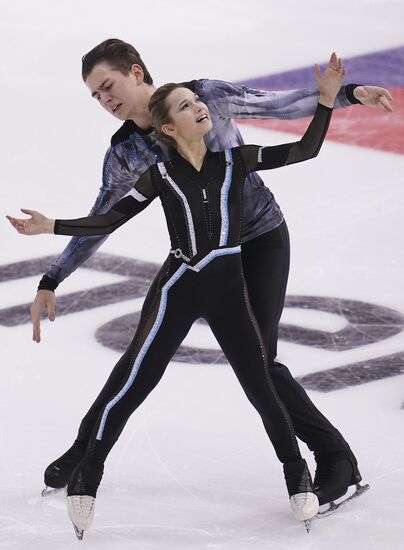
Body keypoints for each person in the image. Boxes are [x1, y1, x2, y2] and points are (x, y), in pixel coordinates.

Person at [29, 39, 393, 507]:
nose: (106, 100)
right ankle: (86, 449)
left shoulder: (205, 99)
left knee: (260, 363)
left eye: (108, 86)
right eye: (96, 96)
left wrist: (349, 93)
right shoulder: (125, 153)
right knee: (140, 356)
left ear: (136, 73)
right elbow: (103, 217)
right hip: (195, 257)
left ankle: (335, 457)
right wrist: (51, 278)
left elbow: (281, 106)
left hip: (259, 240)